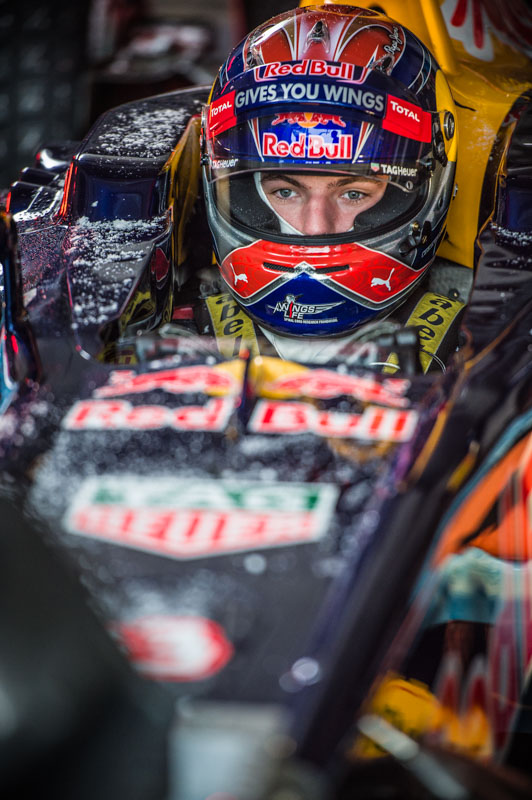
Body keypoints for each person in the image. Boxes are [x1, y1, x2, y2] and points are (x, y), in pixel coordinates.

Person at [193, 4, 467, 369]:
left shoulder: (483, 346)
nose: (316, 226)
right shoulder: (176, 321)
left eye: (353, 193)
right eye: (285, 191)